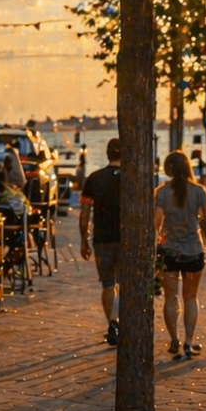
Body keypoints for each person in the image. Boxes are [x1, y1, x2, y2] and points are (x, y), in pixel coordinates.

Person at [155, 150, 206, 360]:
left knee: (170, 297)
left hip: (169, 251)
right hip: (194, 251)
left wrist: (161, 243)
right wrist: (201, 243)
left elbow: (157, 226)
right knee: (190, 297)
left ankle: (175, 339)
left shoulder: (161, 193)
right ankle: (189, 341)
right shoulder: (200, 192)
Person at [79, 137, 123, 346]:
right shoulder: (132, 179)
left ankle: (111, 324)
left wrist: (83, 240)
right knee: (124, 284)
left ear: (107, 154)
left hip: (102, 239)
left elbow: (85, 213)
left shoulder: (94, 179)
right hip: (126, 240)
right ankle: (118, 322)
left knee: (107, 284)